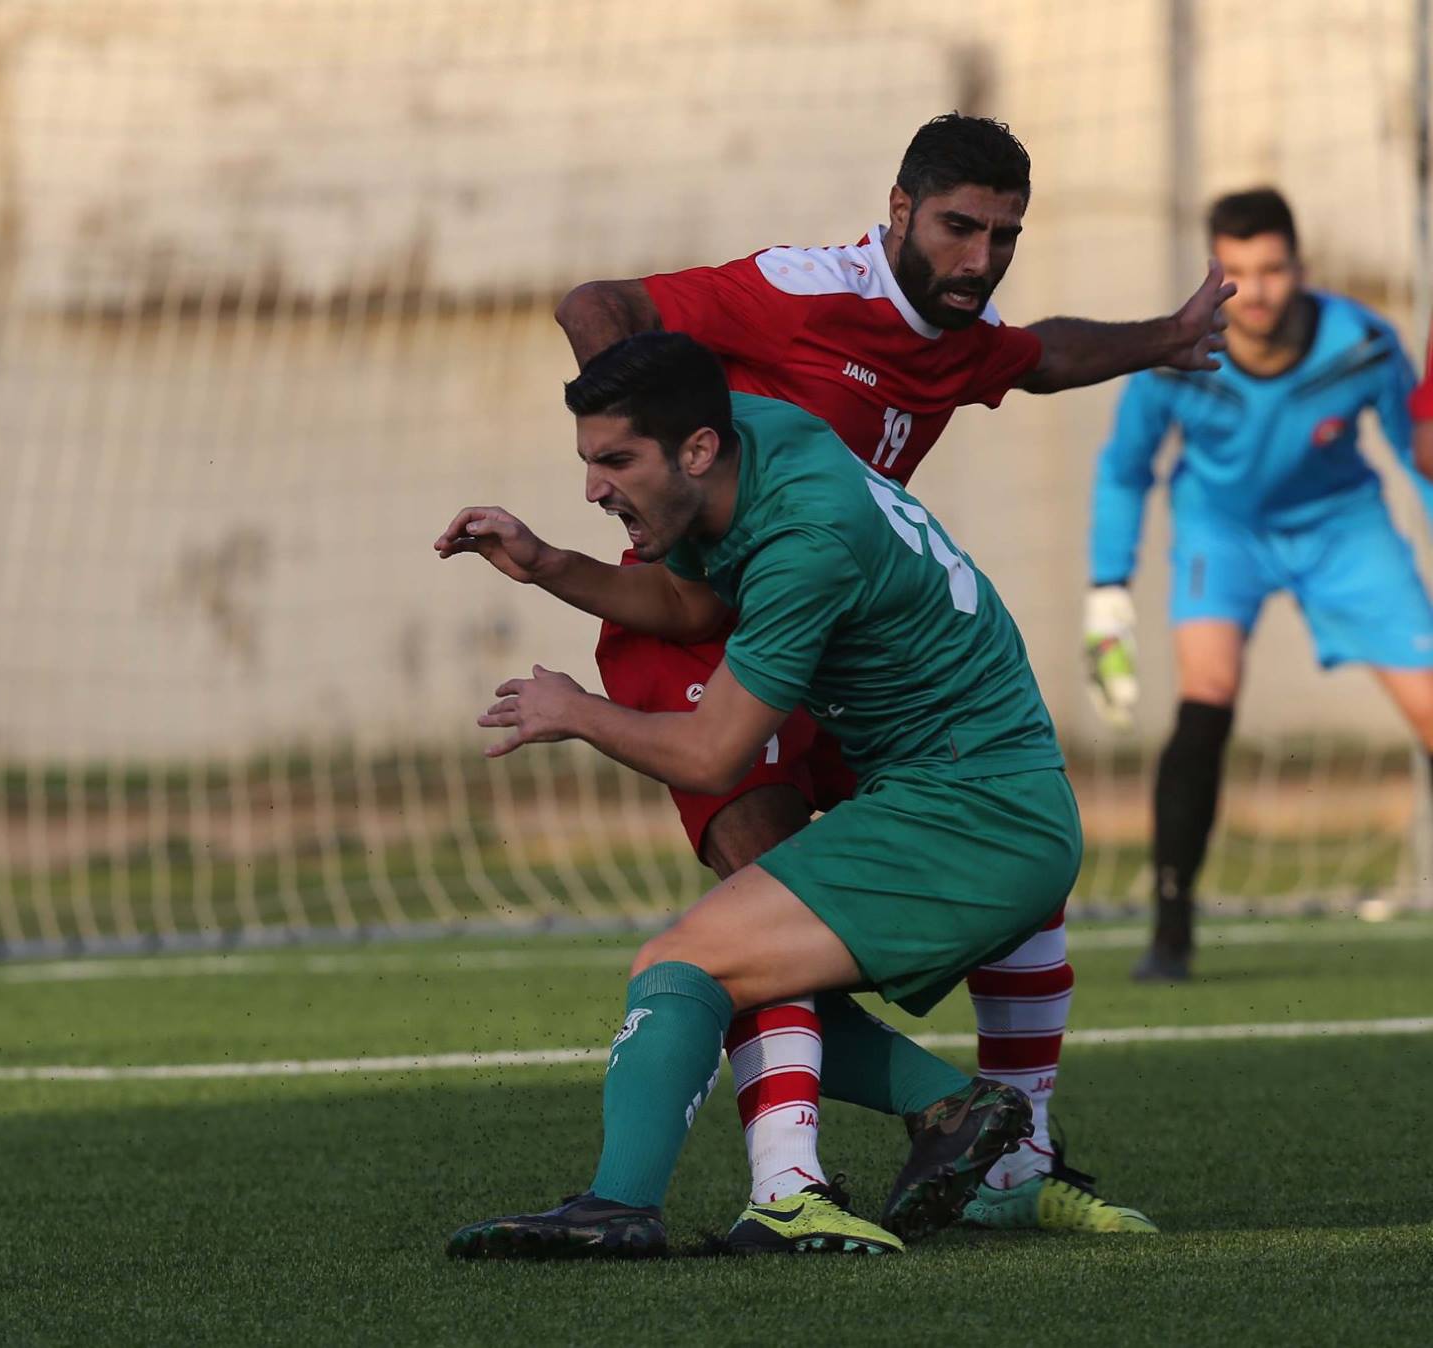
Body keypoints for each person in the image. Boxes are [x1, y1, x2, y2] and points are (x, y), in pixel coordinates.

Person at [550, 113, 1202, 1233]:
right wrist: (636, 426)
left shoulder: (953, 331)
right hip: (697, 636)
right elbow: (596, 304)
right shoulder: (798, 292)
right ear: (897, 209)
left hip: (831, 642)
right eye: (957, 228)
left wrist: (1165, 334)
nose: (977, 258)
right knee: (766, 895)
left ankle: (1012, 1154)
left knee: (1007, 871)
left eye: (1001, 236)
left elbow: (1038, 354)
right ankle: (787, 1182)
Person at [437, 331, 1079, 1259]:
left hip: (975, 815)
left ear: (697, 449)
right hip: (964, 794)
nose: (594, 488)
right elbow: (696, 607)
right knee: (725, 962)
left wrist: (577, 711)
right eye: (587, 461)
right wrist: (546, 564)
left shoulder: (805, 541)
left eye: (617, 461)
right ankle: (947, 1106)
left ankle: (620, 1207)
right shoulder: (762, 436)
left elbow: (708, 754)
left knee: (686, 960)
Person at [1083, 188, 1433, 981]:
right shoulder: (1177, 354)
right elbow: (1127, 470)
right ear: (1216, 271)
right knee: (1205, 697)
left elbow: (1420, 452)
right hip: (1222, 533)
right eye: (1238, 272)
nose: (1260, 290)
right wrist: (1108, 591)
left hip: (1344, 527)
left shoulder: (1364, 342)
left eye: (1273, 269)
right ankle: (1170, 932)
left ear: (1298, 266)